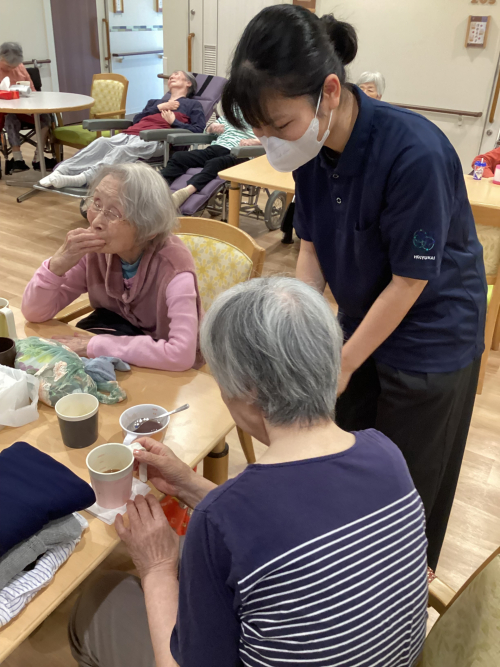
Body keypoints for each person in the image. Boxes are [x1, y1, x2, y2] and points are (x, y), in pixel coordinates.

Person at [220, 4, 487, 571]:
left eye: (280, 126)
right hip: (360, 322)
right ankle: (347, 578)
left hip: (431, 336)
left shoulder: (413, 153)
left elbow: (410, 281)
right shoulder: (310, 151)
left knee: (407, 489)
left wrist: (340, 364)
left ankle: (401, 594)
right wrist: (297, 333)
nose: (272, 143)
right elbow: (312, 248)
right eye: (260, 132)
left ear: (330, 92)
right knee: (345, 464)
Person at [68, 277, 428, 667]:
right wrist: (188, 484)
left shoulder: (221, 518)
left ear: (247, 390)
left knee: (97, 597)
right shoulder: (385, 453)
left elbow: (245, 526)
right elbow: (276, 525)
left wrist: (156, 567)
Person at [22, 162, 203, 372]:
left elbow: (181, 355)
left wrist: (97, 345)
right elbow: (34, 312)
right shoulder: (95, 251)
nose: (96, 221)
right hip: (121, 346)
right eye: (96, 203)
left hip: (168, 370)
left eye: (113, 213)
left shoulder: (174, 269)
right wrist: (56, 266)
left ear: (148, 228)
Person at [39, 71, 205, 190]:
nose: (172, 76)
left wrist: (175, 122)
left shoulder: (193, 105)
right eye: (172, 75)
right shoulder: (154, 102)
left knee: (122, 151)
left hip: (157, 139)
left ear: (188, 83)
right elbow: (136, 120)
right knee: (101, 142)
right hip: (130, 133)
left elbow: (198, 130)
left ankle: (83, 179)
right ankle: (62, 171)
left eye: (177, 74)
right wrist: (159, 107)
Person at [161, 112, 261, 208]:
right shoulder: (231, 113)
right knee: (179, 157)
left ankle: (185, 192)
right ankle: (158, 187)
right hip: (216, 148)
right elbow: (207, 130)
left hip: (242, 154)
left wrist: (255, 142)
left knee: (215, 163)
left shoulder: (262, 116)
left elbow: (271, 140)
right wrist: (212, 127)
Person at [0, 41, 56, 174]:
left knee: (45, 117)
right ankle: (17, 159)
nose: (11, 69)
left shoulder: (20, 67)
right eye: (8, 66)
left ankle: (38, 157)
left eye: (14, 66)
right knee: (10, 118)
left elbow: (32, 90)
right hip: (5, 111)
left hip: (25, 107)